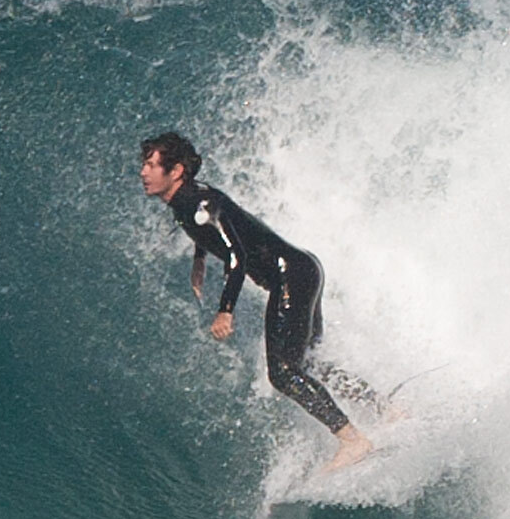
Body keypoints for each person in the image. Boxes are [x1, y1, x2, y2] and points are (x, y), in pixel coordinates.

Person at [139, 132, 378, 471]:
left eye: (151, 165)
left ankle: (352, 440)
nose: (143, 172)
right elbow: (216, 229)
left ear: (175, 171)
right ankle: (385, 410)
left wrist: (225, 311)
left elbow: (236, 256)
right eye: (145, 164)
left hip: (290, 276)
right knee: (310, 363)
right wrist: (199, 259)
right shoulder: (187, 200)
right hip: (303, 267)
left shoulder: (196, 205)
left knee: (283, 373)